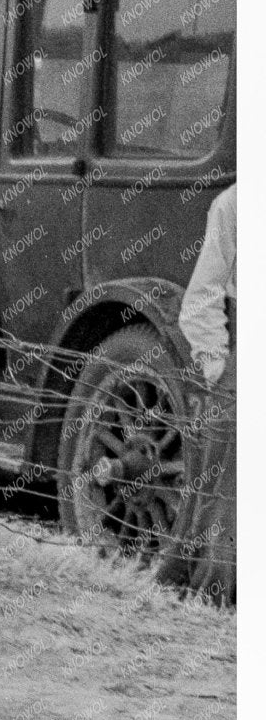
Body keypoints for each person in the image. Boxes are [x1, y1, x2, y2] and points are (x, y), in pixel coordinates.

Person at [160, 183, 236, 605]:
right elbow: (201, 297)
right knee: (227, 484)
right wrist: (217, 364)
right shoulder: (233, 205)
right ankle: (215, 595)